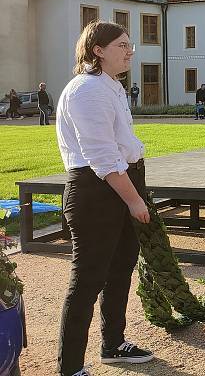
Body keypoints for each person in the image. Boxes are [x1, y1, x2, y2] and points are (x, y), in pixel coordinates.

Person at [56, 21, 153, 375]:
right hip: (97, 192)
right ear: (98, 49)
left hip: (121, 184)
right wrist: (134, 200)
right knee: (87, 281)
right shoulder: (86, 90)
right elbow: (102, 158)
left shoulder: (111, 86)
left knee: (120, 269)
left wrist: (135, 192)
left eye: (130, 46)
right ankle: (70, 369)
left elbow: (121, 146)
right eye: (122, 45)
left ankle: (113, 344)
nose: (129, 51)